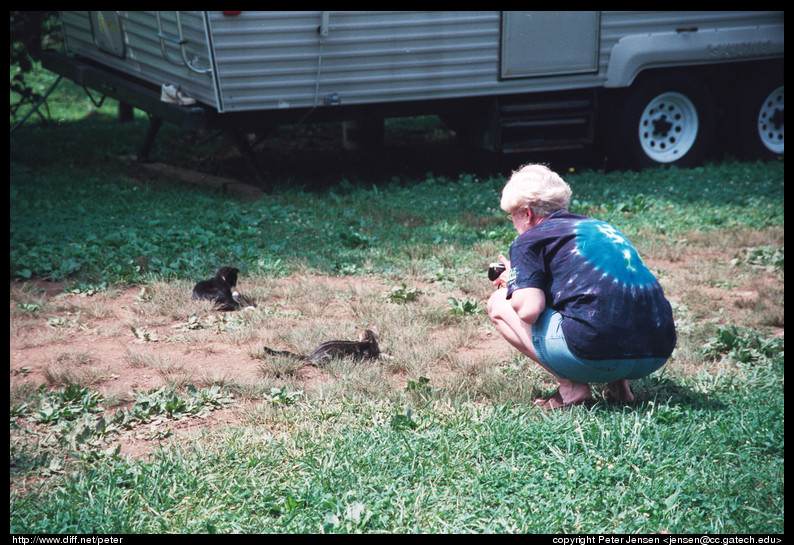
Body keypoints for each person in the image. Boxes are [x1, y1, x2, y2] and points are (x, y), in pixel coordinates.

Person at [487, 164, 676, 410]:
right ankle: (620, 386)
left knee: (498, 304)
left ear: (527, 213)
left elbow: (529, 310)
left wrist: (515, 281)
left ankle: (571, 387)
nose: (513, 223)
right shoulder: (603, 228)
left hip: (595, 355)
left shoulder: (529, 239)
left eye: (512, 215)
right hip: (656, 350)